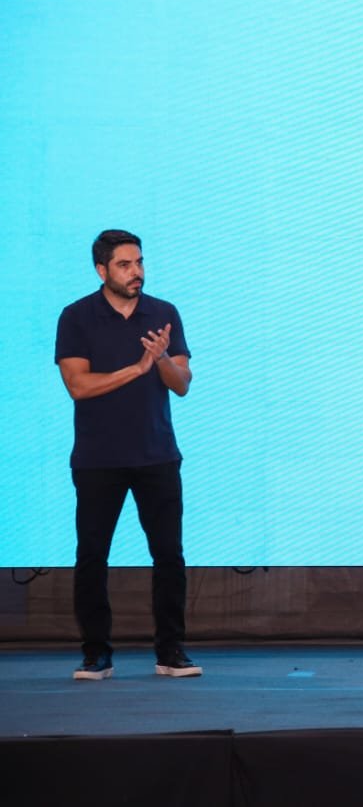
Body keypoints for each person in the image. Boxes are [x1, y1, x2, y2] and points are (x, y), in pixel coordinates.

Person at [55, 229, 202, 680]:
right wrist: (136, 369)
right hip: (98, 458)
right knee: (92, 557)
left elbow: (182, 384)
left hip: (157, 454)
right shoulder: (77, 317)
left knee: (169, 556)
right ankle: (96, 654)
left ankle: (171, 652)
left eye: (139, 262)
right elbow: (78, 386)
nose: (136, 272)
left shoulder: (163, 313)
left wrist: (160, 360)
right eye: (124, 265)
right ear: (102, 270)